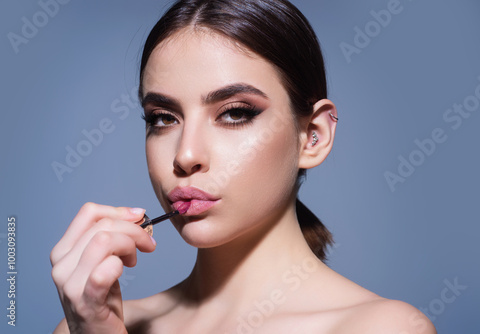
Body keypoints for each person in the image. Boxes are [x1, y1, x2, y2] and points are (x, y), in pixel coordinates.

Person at [50, 0, 436, 332]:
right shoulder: (88, 325)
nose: (185, 156)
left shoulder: (380, 328)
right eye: (163, 118)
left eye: (235, 113)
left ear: (313, 136)